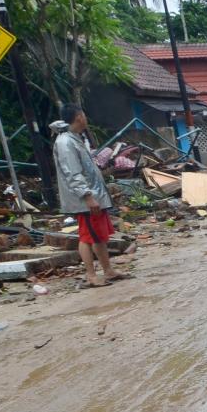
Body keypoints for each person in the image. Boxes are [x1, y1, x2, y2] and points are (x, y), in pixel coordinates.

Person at [53, 103, 123, 287]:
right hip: (85, 199)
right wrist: (87, 196)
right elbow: (73, 173)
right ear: (78, 117)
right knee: (87, 236)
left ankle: (108, 270)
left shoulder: (75, 138)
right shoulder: (65, 142)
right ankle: (91, 275)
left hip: (94, 195)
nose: (85, 117)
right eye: (83, 114)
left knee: (99, 235)